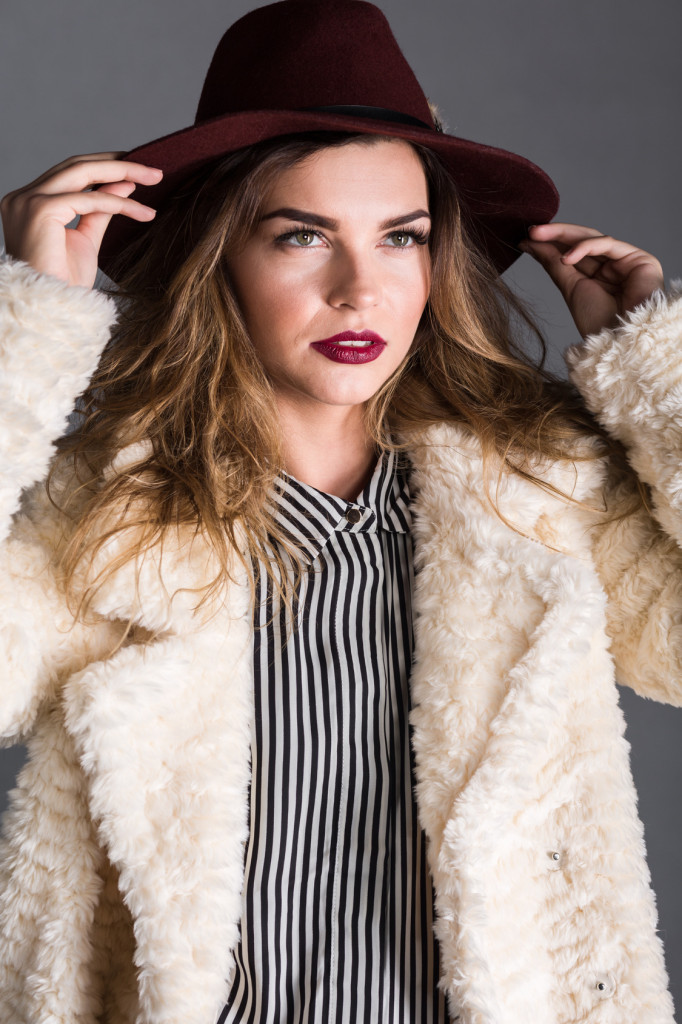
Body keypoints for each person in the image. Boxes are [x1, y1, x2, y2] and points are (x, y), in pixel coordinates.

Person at [0, 1, 679, 1022]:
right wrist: (28, 333)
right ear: (219, 256)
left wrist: (654, 369)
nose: (361, 288)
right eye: (302, 236)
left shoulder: (538, 491)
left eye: (400, 238)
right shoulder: (108, 511)